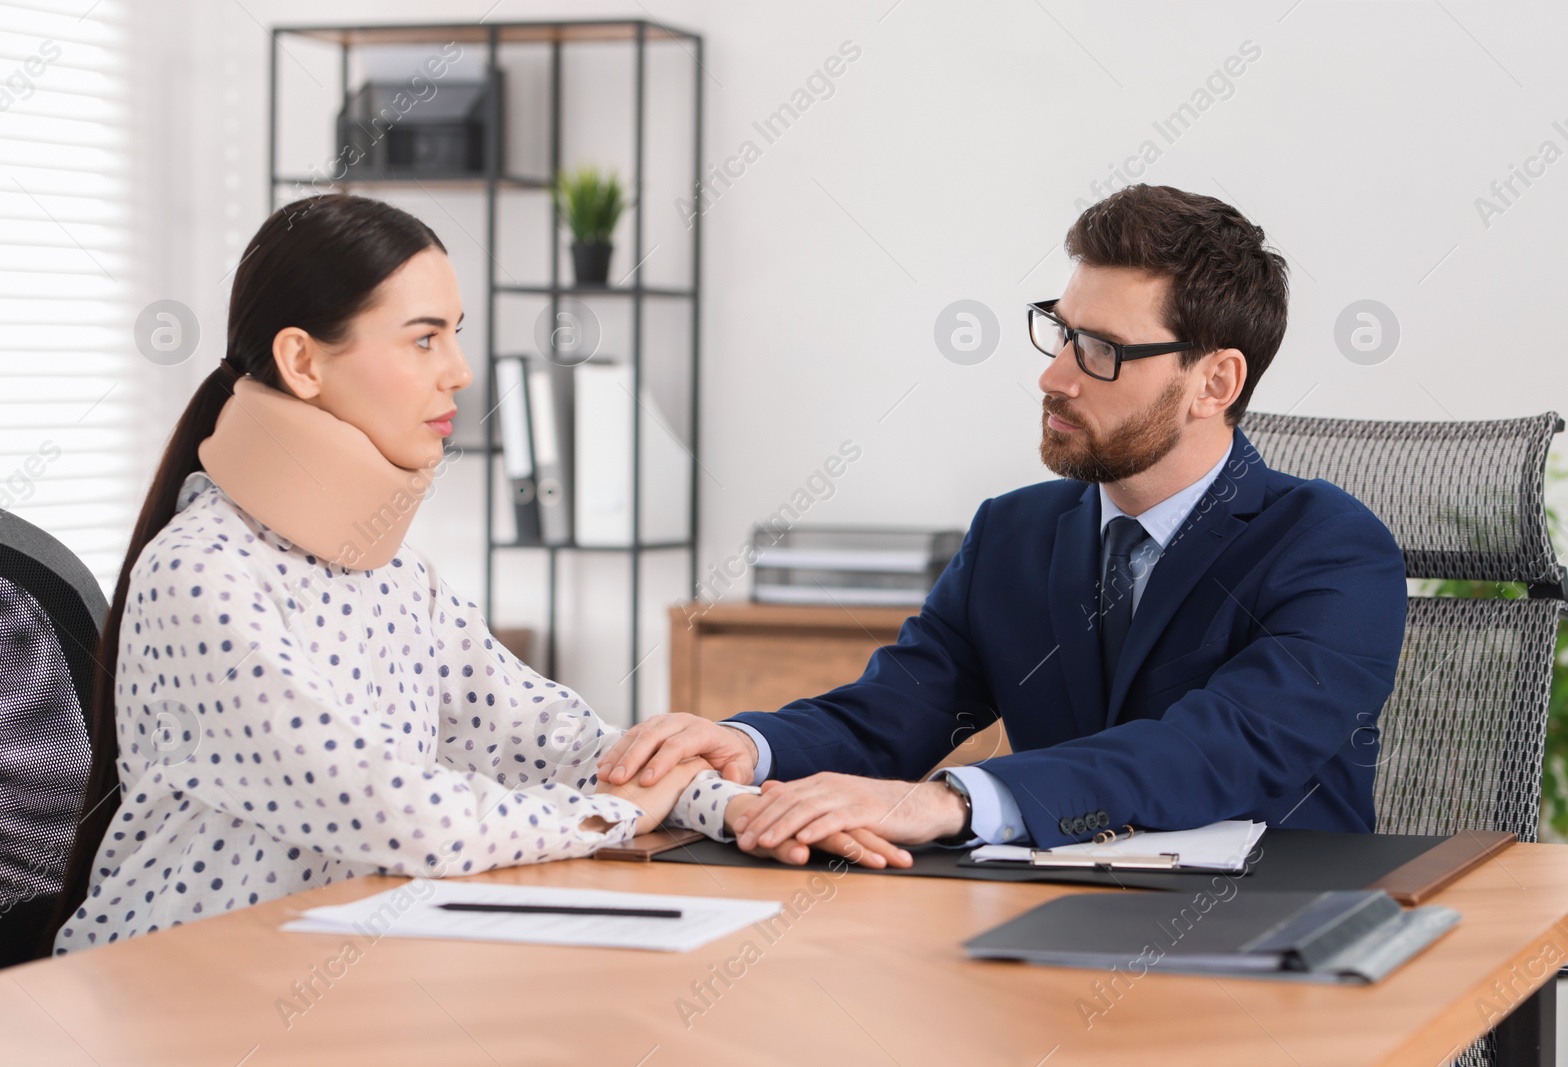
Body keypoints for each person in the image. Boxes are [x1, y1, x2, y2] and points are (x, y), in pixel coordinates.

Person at [46, 195, 901, 956]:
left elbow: (544, 736)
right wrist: (620, 812)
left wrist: (727, 805)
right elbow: (401, 813)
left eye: (456, 334)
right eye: (424, 338)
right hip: (178, 984)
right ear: (303, 363)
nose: (459, 370)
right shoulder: (201, 576)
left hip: (341, 966)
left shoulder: (390, 568)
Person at [600, 184, 1409, 859]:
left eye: (1101, 350)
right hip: (1046, 927)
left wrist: (957, 801)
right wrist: (748, 745)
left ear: (1215, 381)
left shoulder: (1331, 549)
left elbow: (1219, 746)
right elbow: (900, 708)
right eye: (1062, 332)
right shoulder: (1012, 535)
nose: (1053, 376)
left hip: (1270, 949)